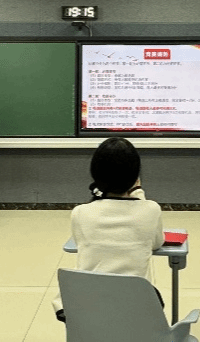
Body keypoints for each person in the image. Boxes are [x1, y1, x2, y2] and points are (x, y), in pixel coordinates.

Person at [53, 137, 164, 322]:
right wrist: (138, 192)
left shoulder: (80, 213)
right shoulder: (151, 210)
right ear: (135, 175)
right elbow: (156, 243)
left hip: (87, 311)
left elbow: (81, 244)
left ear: (96, 174)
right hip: (136, 310)